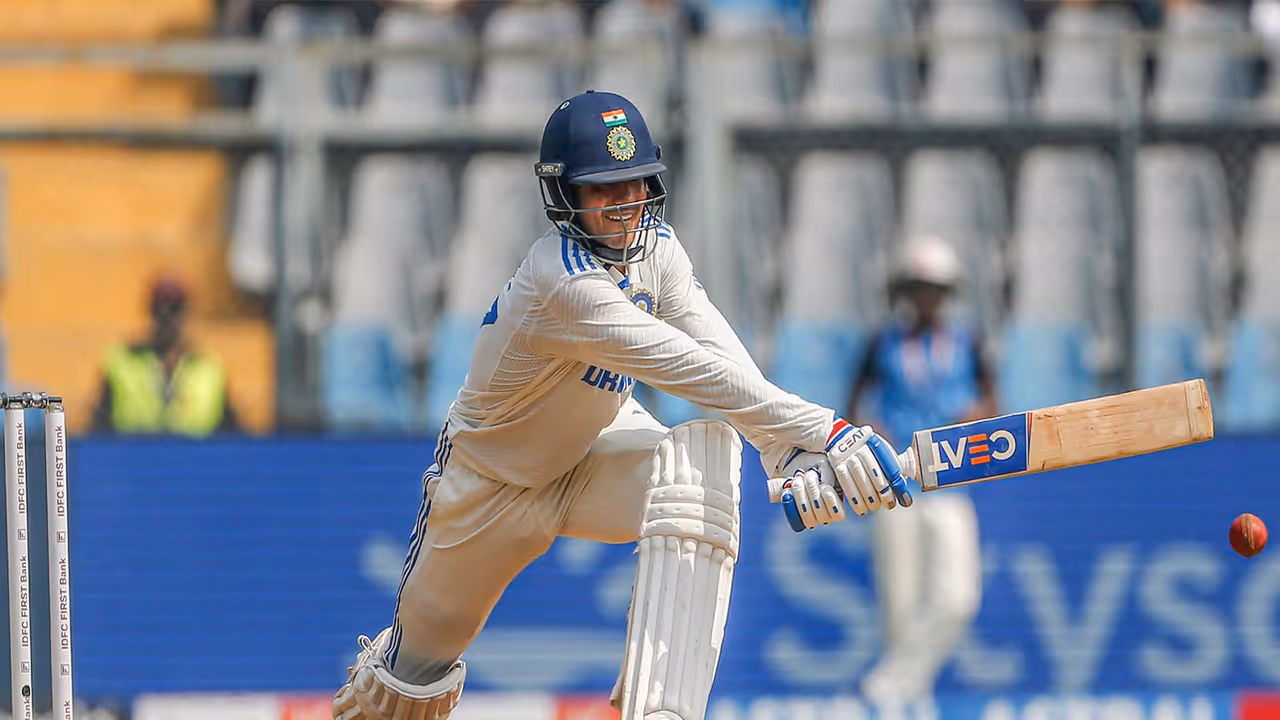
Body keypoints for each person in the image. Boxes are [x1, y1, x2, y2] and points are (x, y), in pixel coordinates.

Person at [332, 89, 914, 720]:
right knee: (403, 693)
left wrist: (785, 448)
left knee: (701, 471)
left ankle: (659, 708)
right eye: (603, 190)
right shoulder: (560, 280)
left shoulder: (658, 246)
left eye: (634, 184)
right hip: (487, 486)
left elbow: (715, 345)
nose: (624, 205)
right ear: (564, 195)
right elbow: (685, 368)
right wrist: (825, 429)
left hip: (594, 454)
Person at [846, 239, 995, 705]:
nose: (926, 298)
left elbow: (992, 401)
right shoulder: (882, 341)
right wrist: (871, 431)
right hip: (895, 486)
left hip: (950, 483)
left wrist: (975, 419)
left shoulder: (967, 341)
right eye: (918, 288)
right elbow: (854, 406)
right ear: (905, 292)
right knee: (900, 608)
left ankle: (886, 687)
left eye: (934, 289)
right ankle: (910, 707)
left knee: (957, 598)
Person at [90, 277, 239, 437]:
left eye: (174, 309)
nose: (166, 316)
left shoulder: (209, 369)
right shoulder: (122, 363)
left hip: (195, 460)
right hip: (135, 457)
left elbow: (233, 433)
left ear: (185, 314)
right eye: (158, 309)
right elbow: (99, 428)